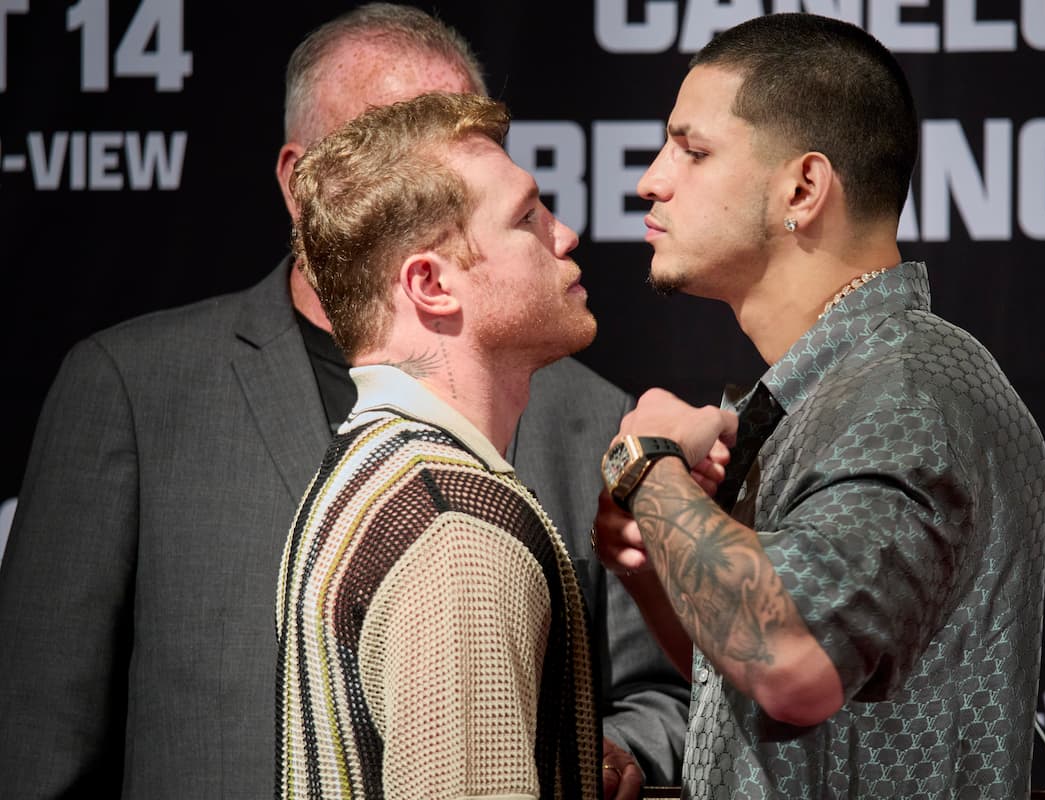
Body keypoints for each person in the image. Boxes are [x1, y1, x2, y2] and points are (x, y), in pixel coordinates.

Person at [0, 5, 684, 798]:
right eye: (387, 139)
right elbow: (34, 741)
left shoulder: (592, 417)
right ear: (302, 184)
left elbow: (665, 693)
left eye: (458, 133)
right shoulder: (131, 388)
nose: (423, 162)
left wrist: (583, 748)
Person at [592, 12, 1045, 798]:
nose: (652, 180)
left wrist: (647, 467)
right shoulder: (836, 392)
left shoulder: (910, 391)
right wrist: (648, 555)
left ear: (803, 188)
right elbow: (744, 677)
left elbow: (793, 665)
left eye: (693, 150)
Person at [277, 91, 600, 799]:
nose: (566, 234)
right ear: (430, 283)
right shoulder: (452, 527)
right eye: (527, 217)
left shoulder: (368, 471)